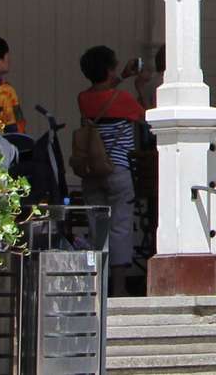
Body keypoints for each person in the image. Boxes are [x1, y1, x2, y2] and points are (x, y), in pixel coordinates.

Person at [78, 45, 145, 285]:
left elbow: (103, 93)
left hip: (92, 171)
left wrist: (122, 77)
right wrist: (138, 87)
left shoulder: (84, 99)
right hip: (118, 170)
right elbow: (145, 116)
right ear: (109, 68)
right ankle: (118, 286)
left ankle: (99, 283)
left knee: (98, 228)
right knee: (120, 226)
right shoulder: (124, 99)